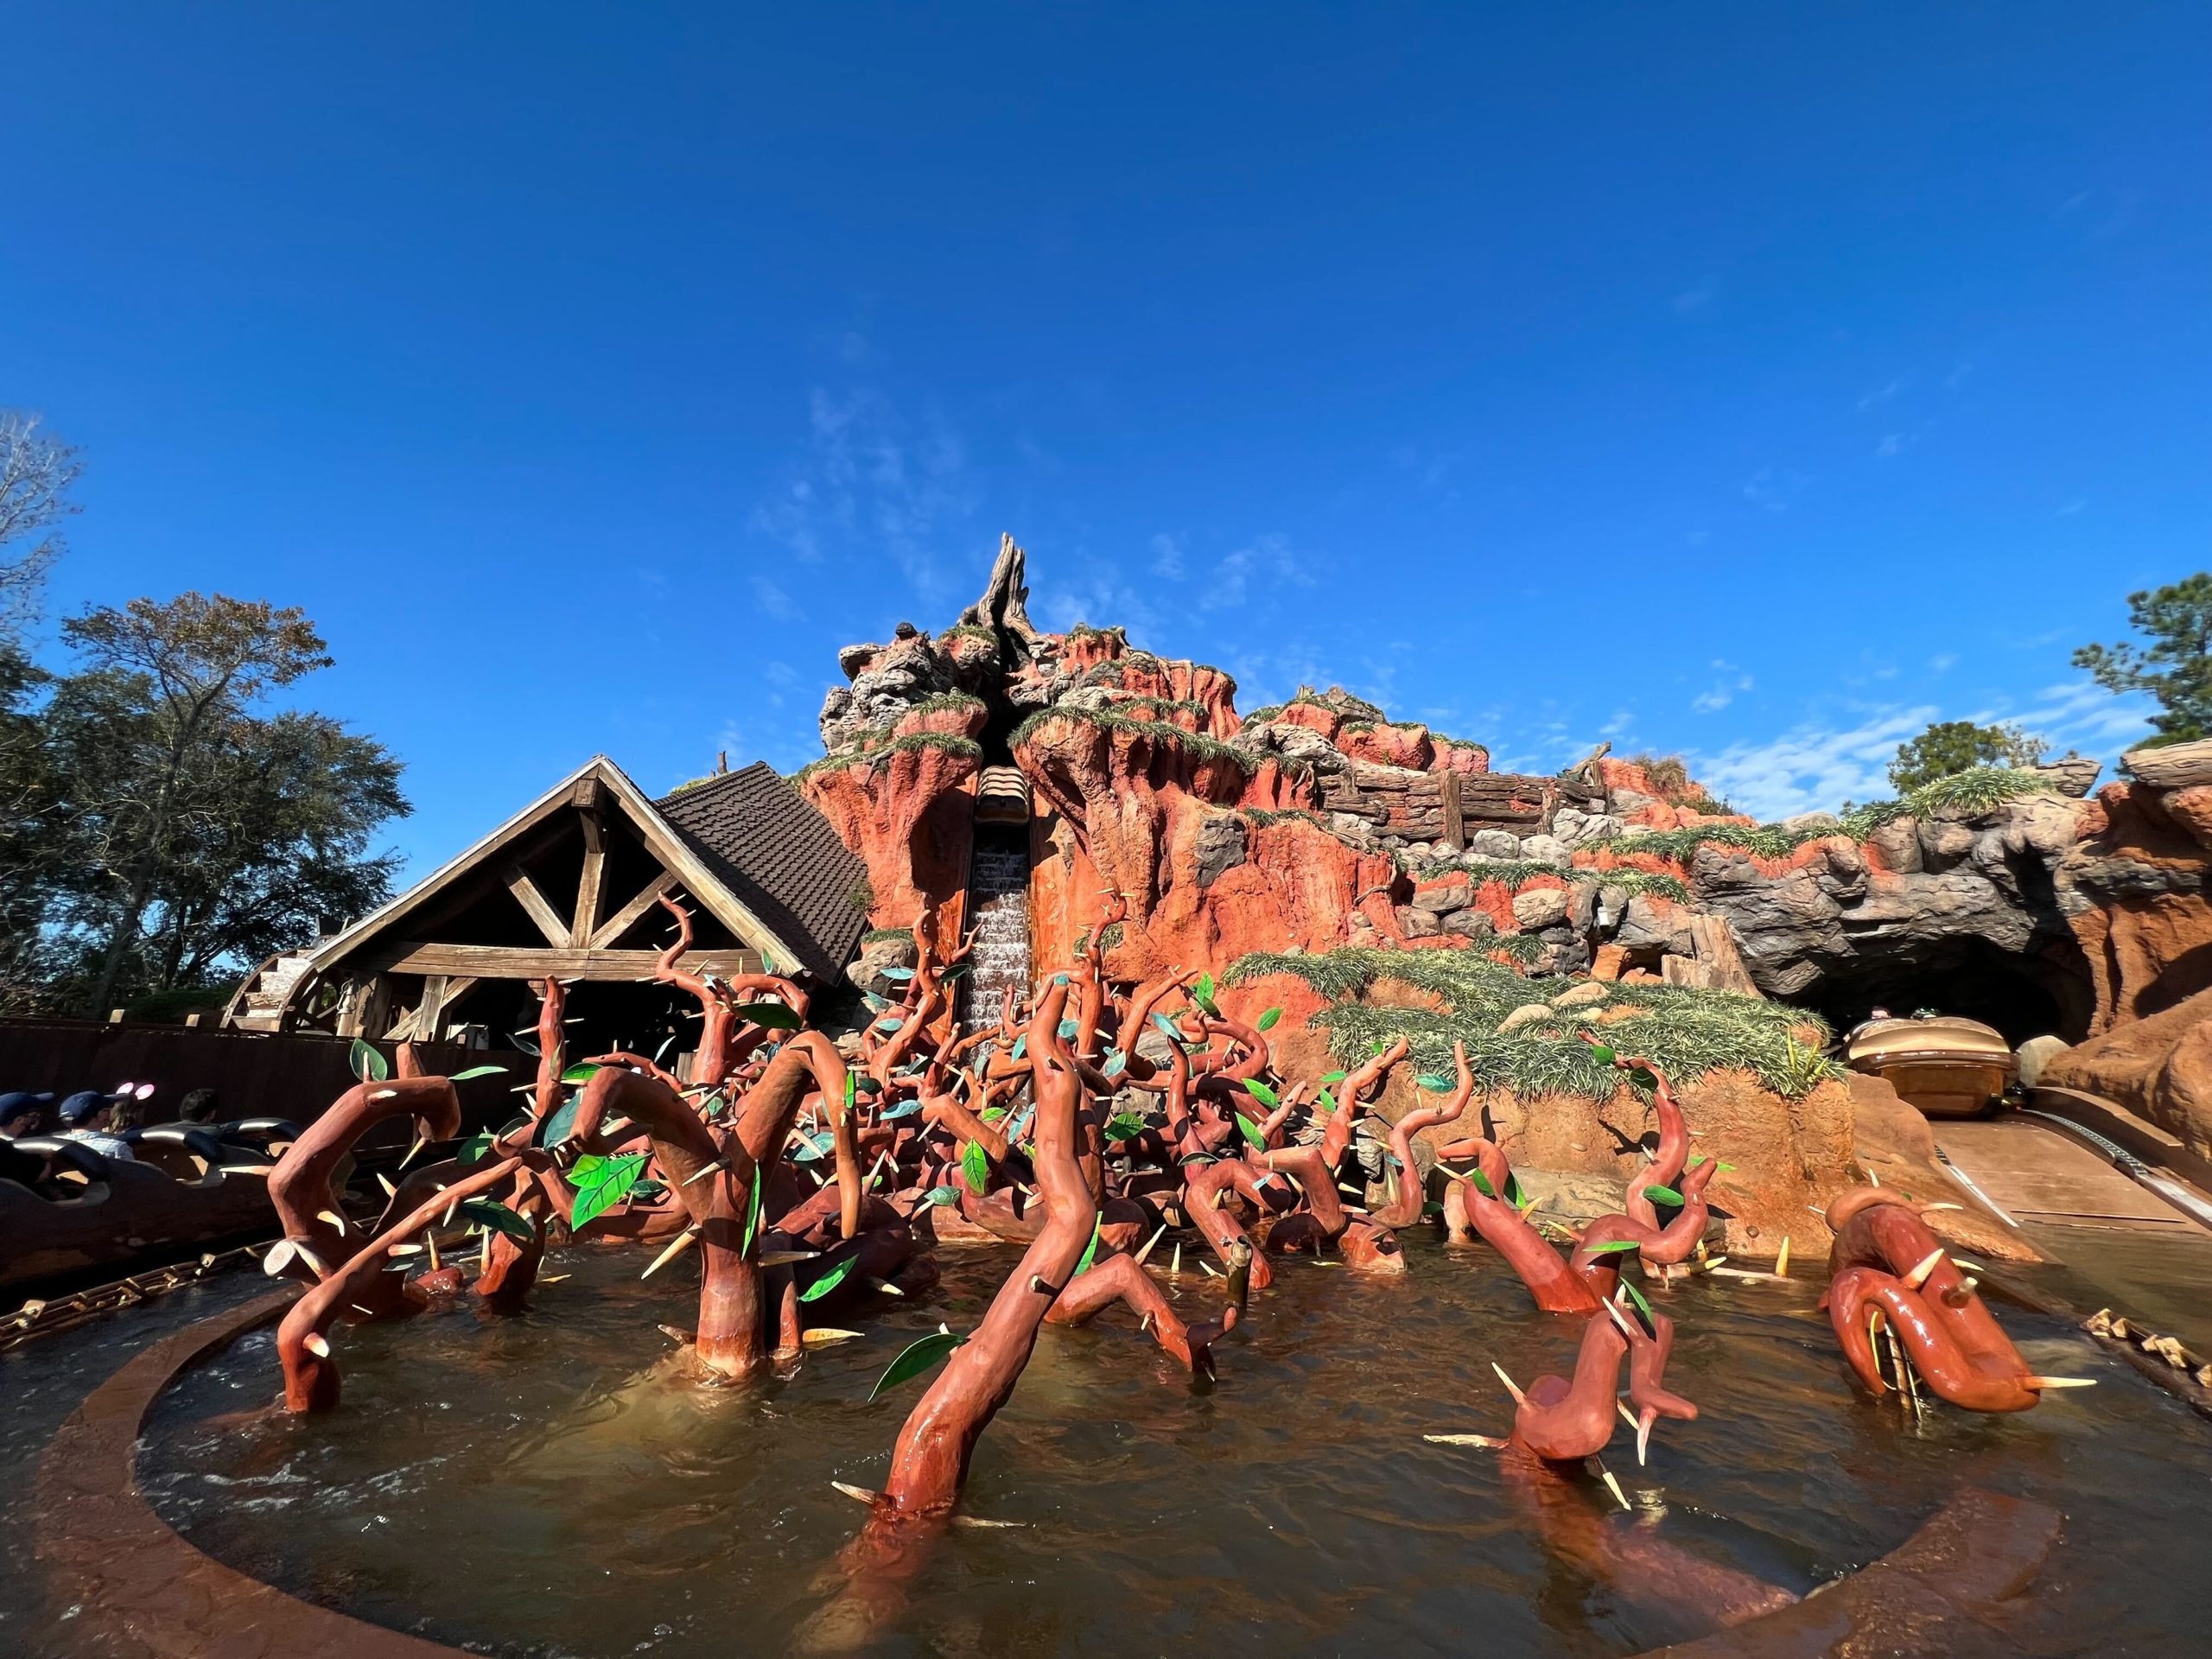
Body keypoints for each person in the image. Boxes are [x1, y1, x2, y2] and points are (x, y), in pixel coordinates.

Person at [55, 1090, 137, 1160]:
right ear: (101, 1115)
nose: (110, 1113)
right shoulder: (118, 1148)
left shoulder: (52, 1145)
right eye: (106, 1110)